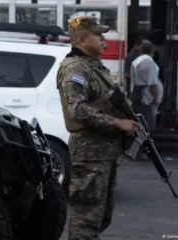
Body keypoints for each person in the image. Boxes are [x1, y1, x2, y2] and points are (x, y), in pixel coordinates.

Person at [56, 16, 139, 240]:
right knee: (86, 220)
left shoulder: (93, 67)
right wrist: (117, 122)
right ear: (82, 39)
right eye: (98, 35)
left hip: (103, 153)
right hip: (90, 154)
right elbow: (78, 110)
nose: (104, 39)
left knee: (101, 216)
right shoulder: (75, 69)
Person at [130, 40, 163, 137]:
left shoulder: (136, 61)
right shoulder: (148, 63)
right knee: (147, 126)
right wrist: (157, 98)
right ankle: (144, 149)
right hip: (146, 99)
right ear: (153, 51)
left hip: (138, 96)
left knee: (141, 124)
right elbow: (153, 83)